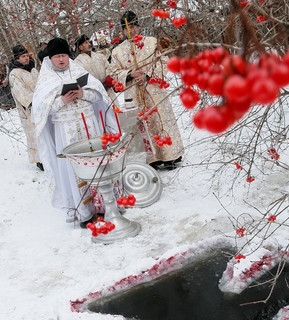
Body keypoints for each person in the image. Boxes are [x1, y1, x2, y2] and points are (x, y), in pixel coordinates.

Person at [32, 37, 116, 226]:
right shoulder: (45, 79)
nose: (61, 60)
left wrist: (82, 94)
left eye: (64, 55)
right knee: (73, 170)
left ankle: (104, 205)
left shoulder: (79, 70)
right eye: (57, 57)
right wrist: (62, 101)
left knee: (97, 163)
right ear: (50, 58)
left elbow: (98, 96)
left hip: (89, 126)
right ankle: (84, 212)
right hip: (66, 132)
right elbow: (39, 112)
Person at [108, 10, 184, 170]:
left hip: (154, 89)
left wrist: (148, 74)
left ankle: (170, 155)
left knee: (161, 119)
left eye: (134, 26)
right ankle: (152, 157)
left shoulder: (151, 42)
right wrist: (129, 74)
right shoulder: (116, 51)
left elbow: (163, 61)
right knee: (143, 124)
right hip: (134, 92)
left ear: (139, 26)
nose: (131, 31)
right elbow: (113, 72)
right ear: (122, 30)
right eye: (127, 28)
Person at [8, 44, 43, 171]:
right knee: (34, 134)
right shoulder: (14, 74)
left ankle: (49, 154)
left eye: (27, 55)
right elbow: (20, 93)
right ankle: (40, 160)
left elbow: (42, 83)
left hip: (42, 105)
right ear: (17, 58)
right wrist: (34, 101)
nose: (26, 58)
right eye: (23, 56)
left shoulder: (33, 69)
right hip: (29, 110)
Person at [74, 34, 117, 102]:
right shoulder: (77, 62)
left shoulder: (100, 56)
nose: (89, 44)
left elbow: (109, 68)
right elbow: (81, 78)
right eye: (86, 43)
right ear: (80, 47)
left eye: (89, 42)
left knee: (114, 109)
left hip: (107, 88)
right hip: (93, 93)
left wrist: (108, 80)